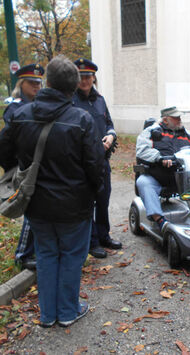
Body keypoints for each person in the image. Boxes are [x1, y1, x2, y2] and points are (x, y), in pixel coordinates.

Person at [0, 55, 105, 327]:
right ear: (73, 86)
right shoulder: (82, 119)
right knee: (70, 256)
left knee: (45, 254)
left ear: (48, 82)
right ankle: (67, 312)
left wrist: (23, 170)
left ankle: (47, 315)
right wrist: (94, 190)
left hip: (36, 203)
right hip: (74, 205)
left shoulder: (21, 115)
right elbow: (95, 165)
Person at [136, 106, 190, 231]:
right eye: (175, 118)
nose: (179, 119)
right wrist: (159, 158)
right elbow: (142, 151)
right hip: (158, 176)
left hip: (184, 178)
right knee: (143, 182)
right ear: (165, 120)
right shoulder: (150, 133)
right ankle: (159, 219)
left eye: (179, 117)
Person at [73, 58, 122, 259]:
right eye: (81, 77)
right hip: (83, 163)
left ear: (94, 78)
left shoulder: (99, 99)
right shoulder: (71, 101)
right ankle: (92, 242)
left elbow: (109, 123)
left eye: (88, 76)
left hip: (103, 160)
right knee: (88, 202)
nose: (85, 81)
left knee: (103, 200)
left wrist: (111, 136)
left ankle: (104, 235)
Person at [4, 64, 45, 270]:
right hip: (25, 165)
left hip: (39, 163)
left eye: (39, 82)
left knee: (36, 210)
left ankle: (33, 251)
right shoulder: (14, 107)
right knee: (30, 210)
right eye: (32, 83)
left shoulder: (40, 104)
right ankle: (22, 254)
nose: (36, 86)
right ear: (22, 84)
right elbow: (8, 141)